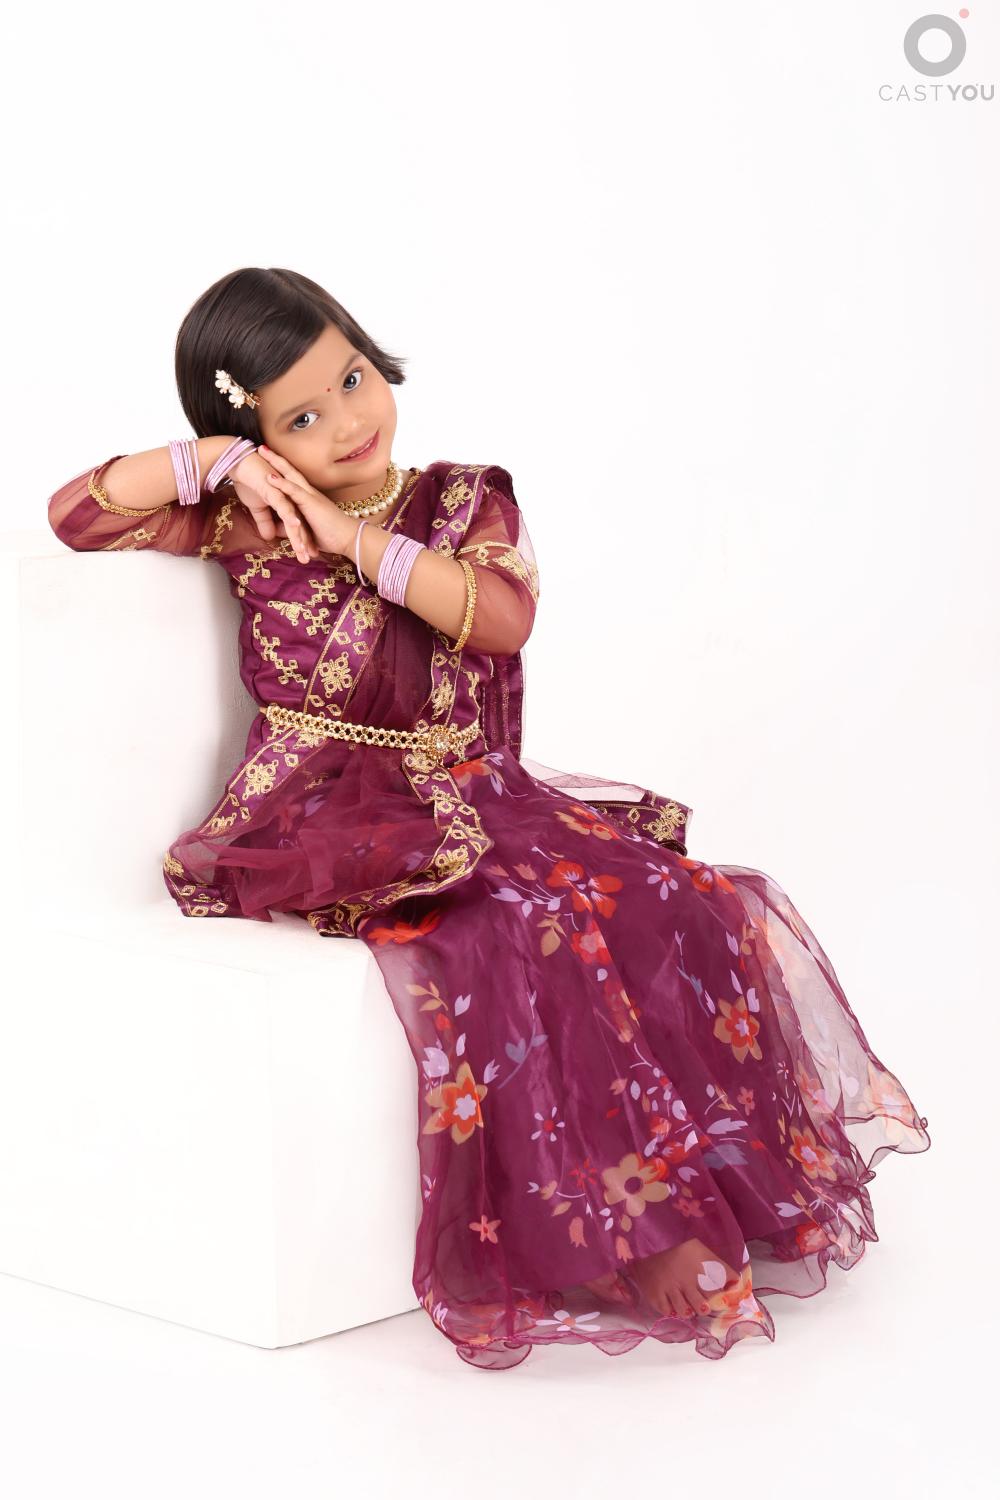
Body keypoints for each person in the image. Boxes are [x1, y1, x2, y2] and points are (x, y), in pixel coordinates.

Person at [46, 265, 932, 1371]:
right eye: (301, 419)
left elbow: (502, 621)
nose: (348, 423)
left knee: (675, 897)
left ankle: (716, 1186)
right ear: (258, 436)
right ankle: (617, 1237)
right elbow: (76, 513)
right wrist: (217, 462)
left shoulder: (464, 499)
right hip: (322, 803)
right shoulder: (241, 514)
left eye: (353, 379)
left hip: (474, 786)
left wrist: (350, 535)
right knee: (520, 931)